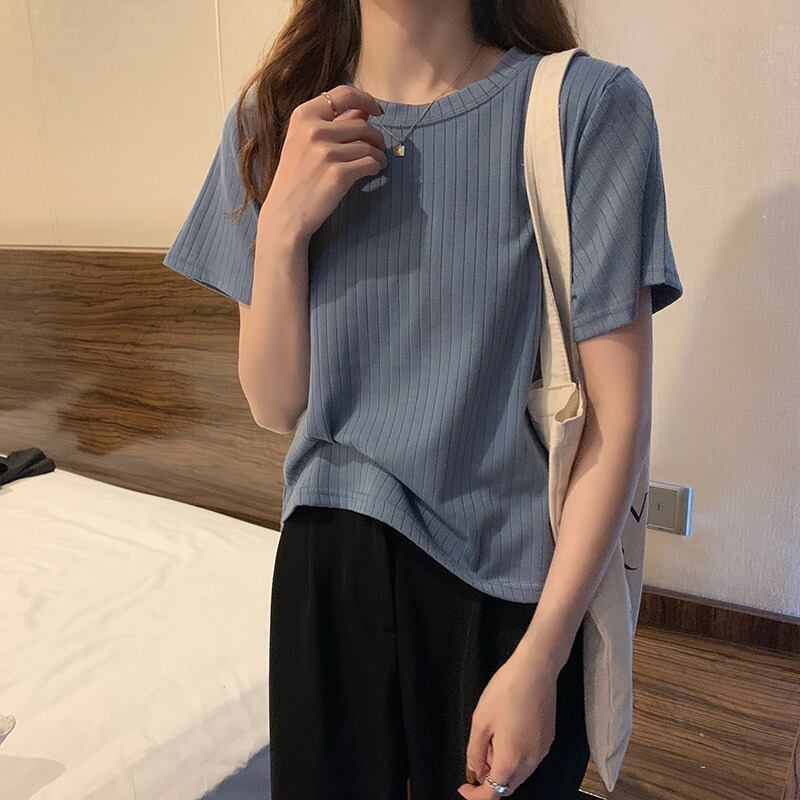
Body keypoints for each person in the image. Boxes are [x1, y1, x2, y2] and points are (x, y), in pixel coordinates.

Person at [163, 1, 684, 796]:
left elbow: (616, 423)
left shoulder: (586, 108)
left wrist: (541, 656)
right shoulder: (275, 115)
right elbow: (275, 404)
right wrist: (282, 229)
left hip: (508, 598)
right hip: (326, 576)